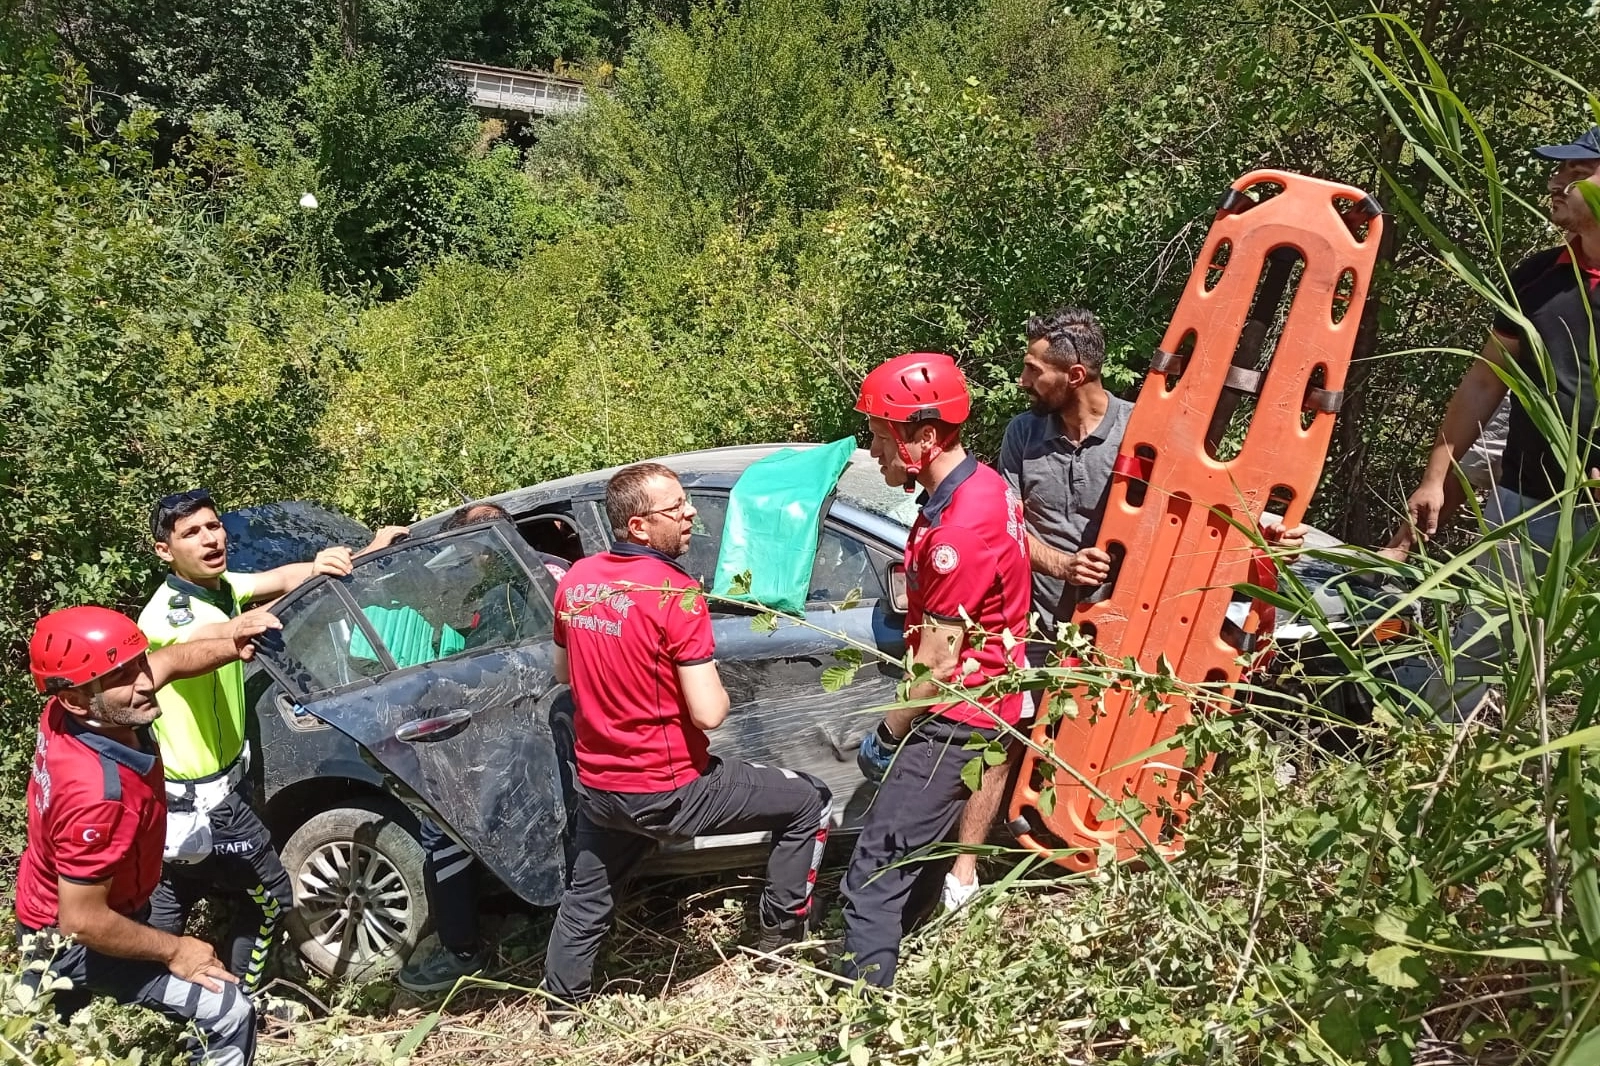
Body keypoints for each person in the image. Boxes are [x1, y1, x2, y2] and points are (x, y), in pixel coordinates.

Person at [943, 308, 1309, 907]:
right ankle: (964, 876)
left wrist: (1266, 531)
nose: (1023, 381)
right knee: (1009, 730)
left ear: (1076, 373)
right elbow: (1003, 527)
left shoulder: (1147, 429)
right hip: (1038, 619)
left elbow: (1207, 500)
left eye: (1034, 370)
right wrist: (1060, 564)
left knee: (1128, 729)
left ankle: (1132, 862)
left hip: (1129, 622)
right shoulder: (1021, 435)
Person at [539, 463, 831, 1016]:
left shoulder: (577, 580)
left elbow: (562, 673)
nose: (691, 513)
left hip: (601, 786)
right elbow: (710, 712)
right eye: (677, 507)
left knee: (586, 896)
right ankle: (780, 947)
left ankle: (560, 1009)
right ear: (641, 527)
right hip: (669, 791)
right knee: (809, 800)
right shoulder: (675, 593)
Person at [136, 488, 405, 994]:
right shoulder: (170, 613)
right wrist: (268, 613)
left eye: (213, 527)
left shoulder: (218, 586)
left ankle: (155, 995)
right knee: (268, 896)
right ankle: (238, 999)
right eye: (191, 533)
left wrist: (361, 553)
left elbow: (280, 578)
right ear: (164, 551)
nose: (210, 539)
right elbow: (220, 637)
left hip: (210, 788)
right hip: (196, 797)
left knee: (178, 896)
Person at [1385, 126, 1600, 717]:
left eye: (1577, 174)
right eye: (1557, 172)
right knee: (1480, 643)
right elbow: (1484, 380)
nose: (1555, 184)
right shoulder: (1537, 276)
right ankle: (1428, 764)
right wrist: (1435, 476)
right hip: (1528, 502)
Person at [840, 351, 1032, 989]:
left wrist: (888, 733)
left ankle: (866, 1016)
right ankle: (916, 975)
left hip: (955, 718)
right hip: (981, 709)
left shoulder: (961, 528)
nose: (873, 451)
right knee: (914, 860)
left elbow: (940, 660)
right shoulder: (983, 486)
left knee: (869, 873)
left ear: (922, 438)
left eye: (879, 436)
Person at [17, 605, 279, 1066]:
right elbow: (81, 921)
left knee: (37, 1038)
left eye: (138, 663)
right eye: (122, 675)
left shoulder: (83, 707)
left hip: (52, 905)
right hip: (69, 938)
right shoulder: (98, 795)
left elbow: (170, 660)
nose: (143, 681)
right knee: (228, 1010)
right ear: (75, 699)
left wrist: (230, 647)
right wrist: (177, 949)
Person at [399, 501, 571, 993]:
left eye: (464, 554)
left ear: (483, 549)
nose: (464, 565)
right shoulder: (558, 568)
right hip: (567, 714)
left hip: (524, 721)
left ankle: (461, 952)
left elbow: (490, 672)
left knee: (447, 830)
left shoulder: (507, 595)